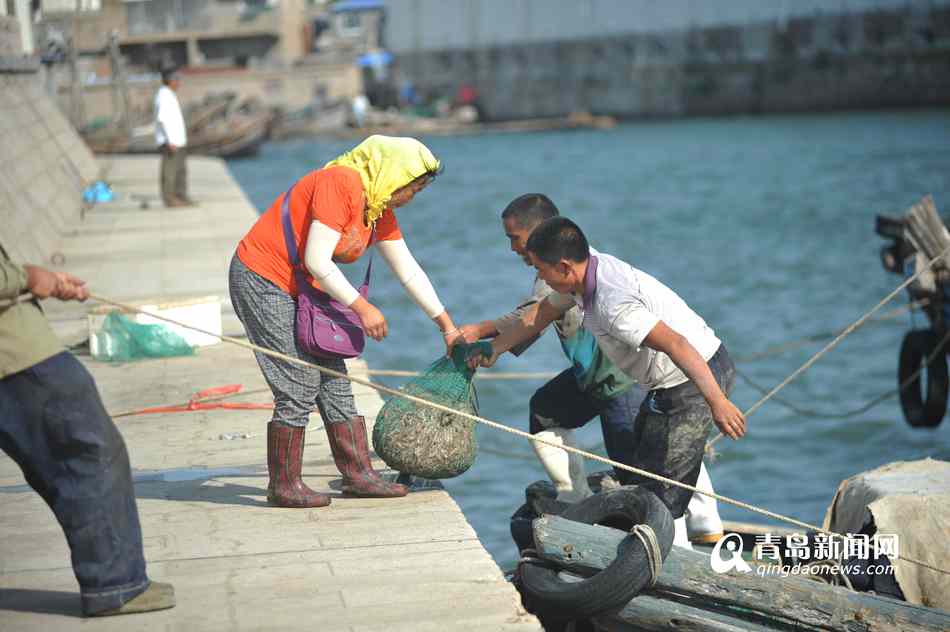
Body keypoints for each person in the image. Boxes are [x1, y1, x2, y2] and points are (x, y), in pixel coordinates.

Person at [460, 195, 724, 545]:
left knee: (647, 476)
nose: (512, 248)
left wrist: (716, 399)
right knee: (545, 411)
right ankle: (575, 497)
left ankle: (690, 538)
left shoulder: (568, 274)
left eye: (515, 238)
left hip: (622, 383)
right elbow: (534, 315)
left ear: (544, 237)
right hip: (591, 376)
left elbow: (531, 317)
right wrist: (489, 339)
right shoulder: (557, 272)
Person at [229, 135, 463, 508]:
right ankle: (284, 484)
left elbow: (409, 271)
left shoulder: (376, 206)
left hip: (303, 287)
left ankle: (358, 475)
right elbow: (318, 262)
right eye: (411, 189)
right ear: (392, 173)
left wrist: (446, 325)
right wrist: (362, 308)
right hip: (262, 278)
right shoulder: (340, 183)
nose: (409, 198)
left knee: (335, 377)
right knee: (298, 379)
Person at [0, 248, 175, 617]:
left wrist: (40, 280)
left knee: (71, 459)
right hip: (16, 356)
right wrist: (27, 277)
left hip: (16, 351)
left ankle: (115, 580)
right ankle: (116, 584)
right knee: (89, 454)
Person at [154, 68, 192, 208]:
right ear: (169, 80)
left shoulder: (170, 95)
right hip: (170, 142)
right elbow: (162, 119)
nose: (179, 82)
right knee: (169, 171)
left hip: (178, 141)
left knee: (180, 170)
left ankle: (181, 196)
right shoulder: (163, 96)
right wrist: (170, 141)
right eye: (176, 79)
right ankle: (169, 199)